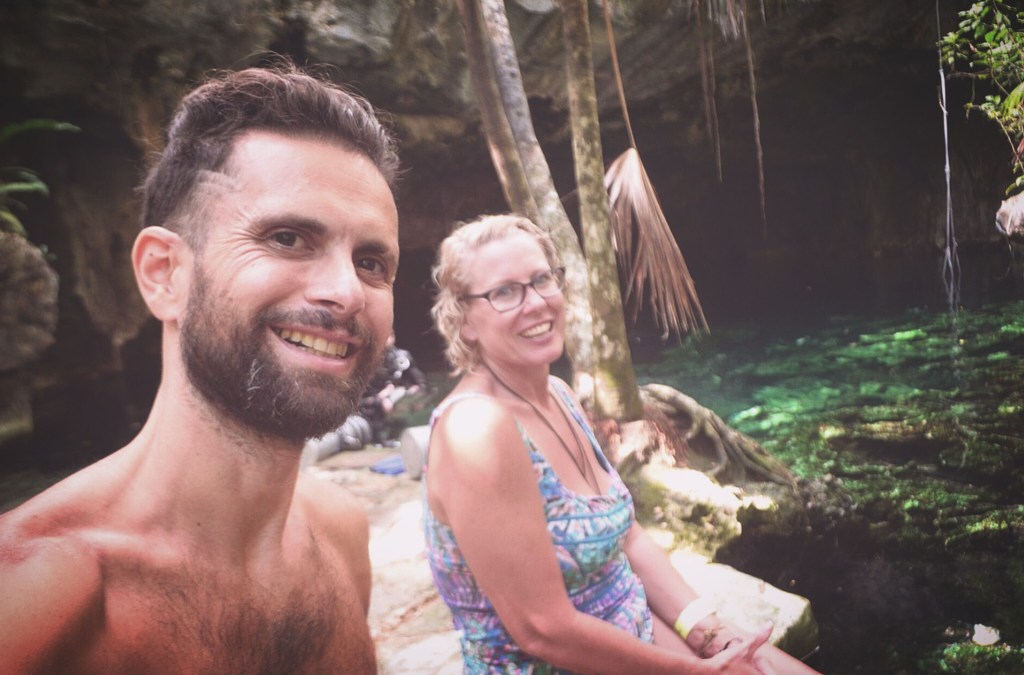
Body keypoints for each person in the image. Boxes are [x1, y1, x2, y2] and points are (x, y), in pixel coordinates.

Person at [0, 64, 400, 672]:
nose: (346, 292)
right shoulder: (34, 600)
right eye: (287, 237)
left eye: (371, 262)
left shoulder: (341, 535)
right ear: (165, 274)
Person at [424, 214, 822, 674]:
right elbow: (542, 630)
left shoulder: (559, 395)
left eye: (541, 280)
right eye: (505, 292)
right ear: (464, 322)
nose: (534, 302)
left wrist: (710, 633)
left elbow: (627, 536)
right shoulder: (475, 430)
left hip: (639, 635)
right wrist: (694, 671)